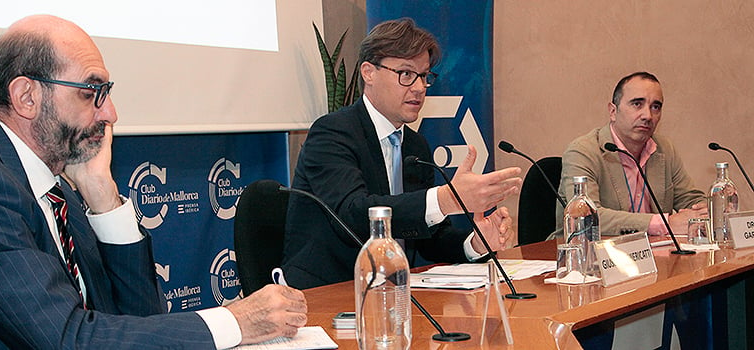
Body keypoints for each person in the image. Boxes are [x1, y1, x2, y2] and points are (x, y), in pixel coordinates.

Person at [0, 15, 306, 349]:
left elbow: (140, 317)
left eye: (106, 92)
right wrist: (235, 322)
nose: (110, 112)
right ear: (26, 97)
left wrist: (102, 195)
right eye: (92, 90)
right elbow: (67, 340)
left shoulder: (55, 185)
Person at [282, 18, 522, 289]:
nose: (419, 88)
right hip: (329, 292)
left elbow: (427, 236)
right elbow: (353, 216)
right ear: (369, 72)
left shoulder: (415, 146)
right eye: (406, 74)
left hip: (394, 293)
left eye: (424, 76)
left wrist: (475, 243)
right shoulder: (332, 133)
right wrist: (445, 199)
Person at [554, 72, 706, 238]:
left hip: (652, 253)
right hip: (589, 255)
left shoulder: (664, 149)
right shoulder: (583, 151)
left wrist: (704, 212)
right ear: (613, 111)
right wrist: (665, 224)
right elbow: (587, 218)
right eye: (637, 104)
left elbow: (691, 199)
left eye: (655, 107)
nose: (648, 115)